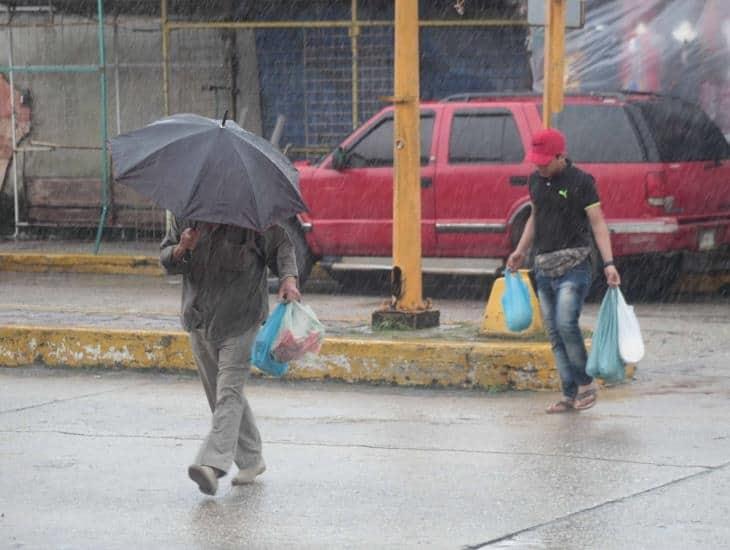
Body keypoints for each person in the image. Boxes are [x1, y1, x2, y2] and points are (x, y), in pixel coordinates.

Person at [160, 218, 300, 495]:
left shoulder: (249, 216)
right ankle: (251, 458)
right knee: (222, 395)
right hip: (199, 318)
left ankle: (211, 465)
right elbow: (166, 259)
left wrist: (288, 278)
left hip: (241, 318)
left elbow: (282, 245)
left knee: (228, 393)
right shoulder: (184, 212)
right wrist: (181, 248)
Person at [506, 128, 620, 414]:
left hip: (575, 265)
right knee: (555, 333)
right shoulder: (535, 180)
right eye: (536, 161)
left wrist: (609, 263)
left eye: (545, 161)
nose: (540, 166)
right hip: (543, 266)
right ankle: (569, 395)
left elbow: (597, 223)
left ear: (561, 156)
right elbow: (535, 217)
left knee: (567, 323)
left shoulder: (581, 182)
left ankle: (585, 385)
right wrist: (520, 250)